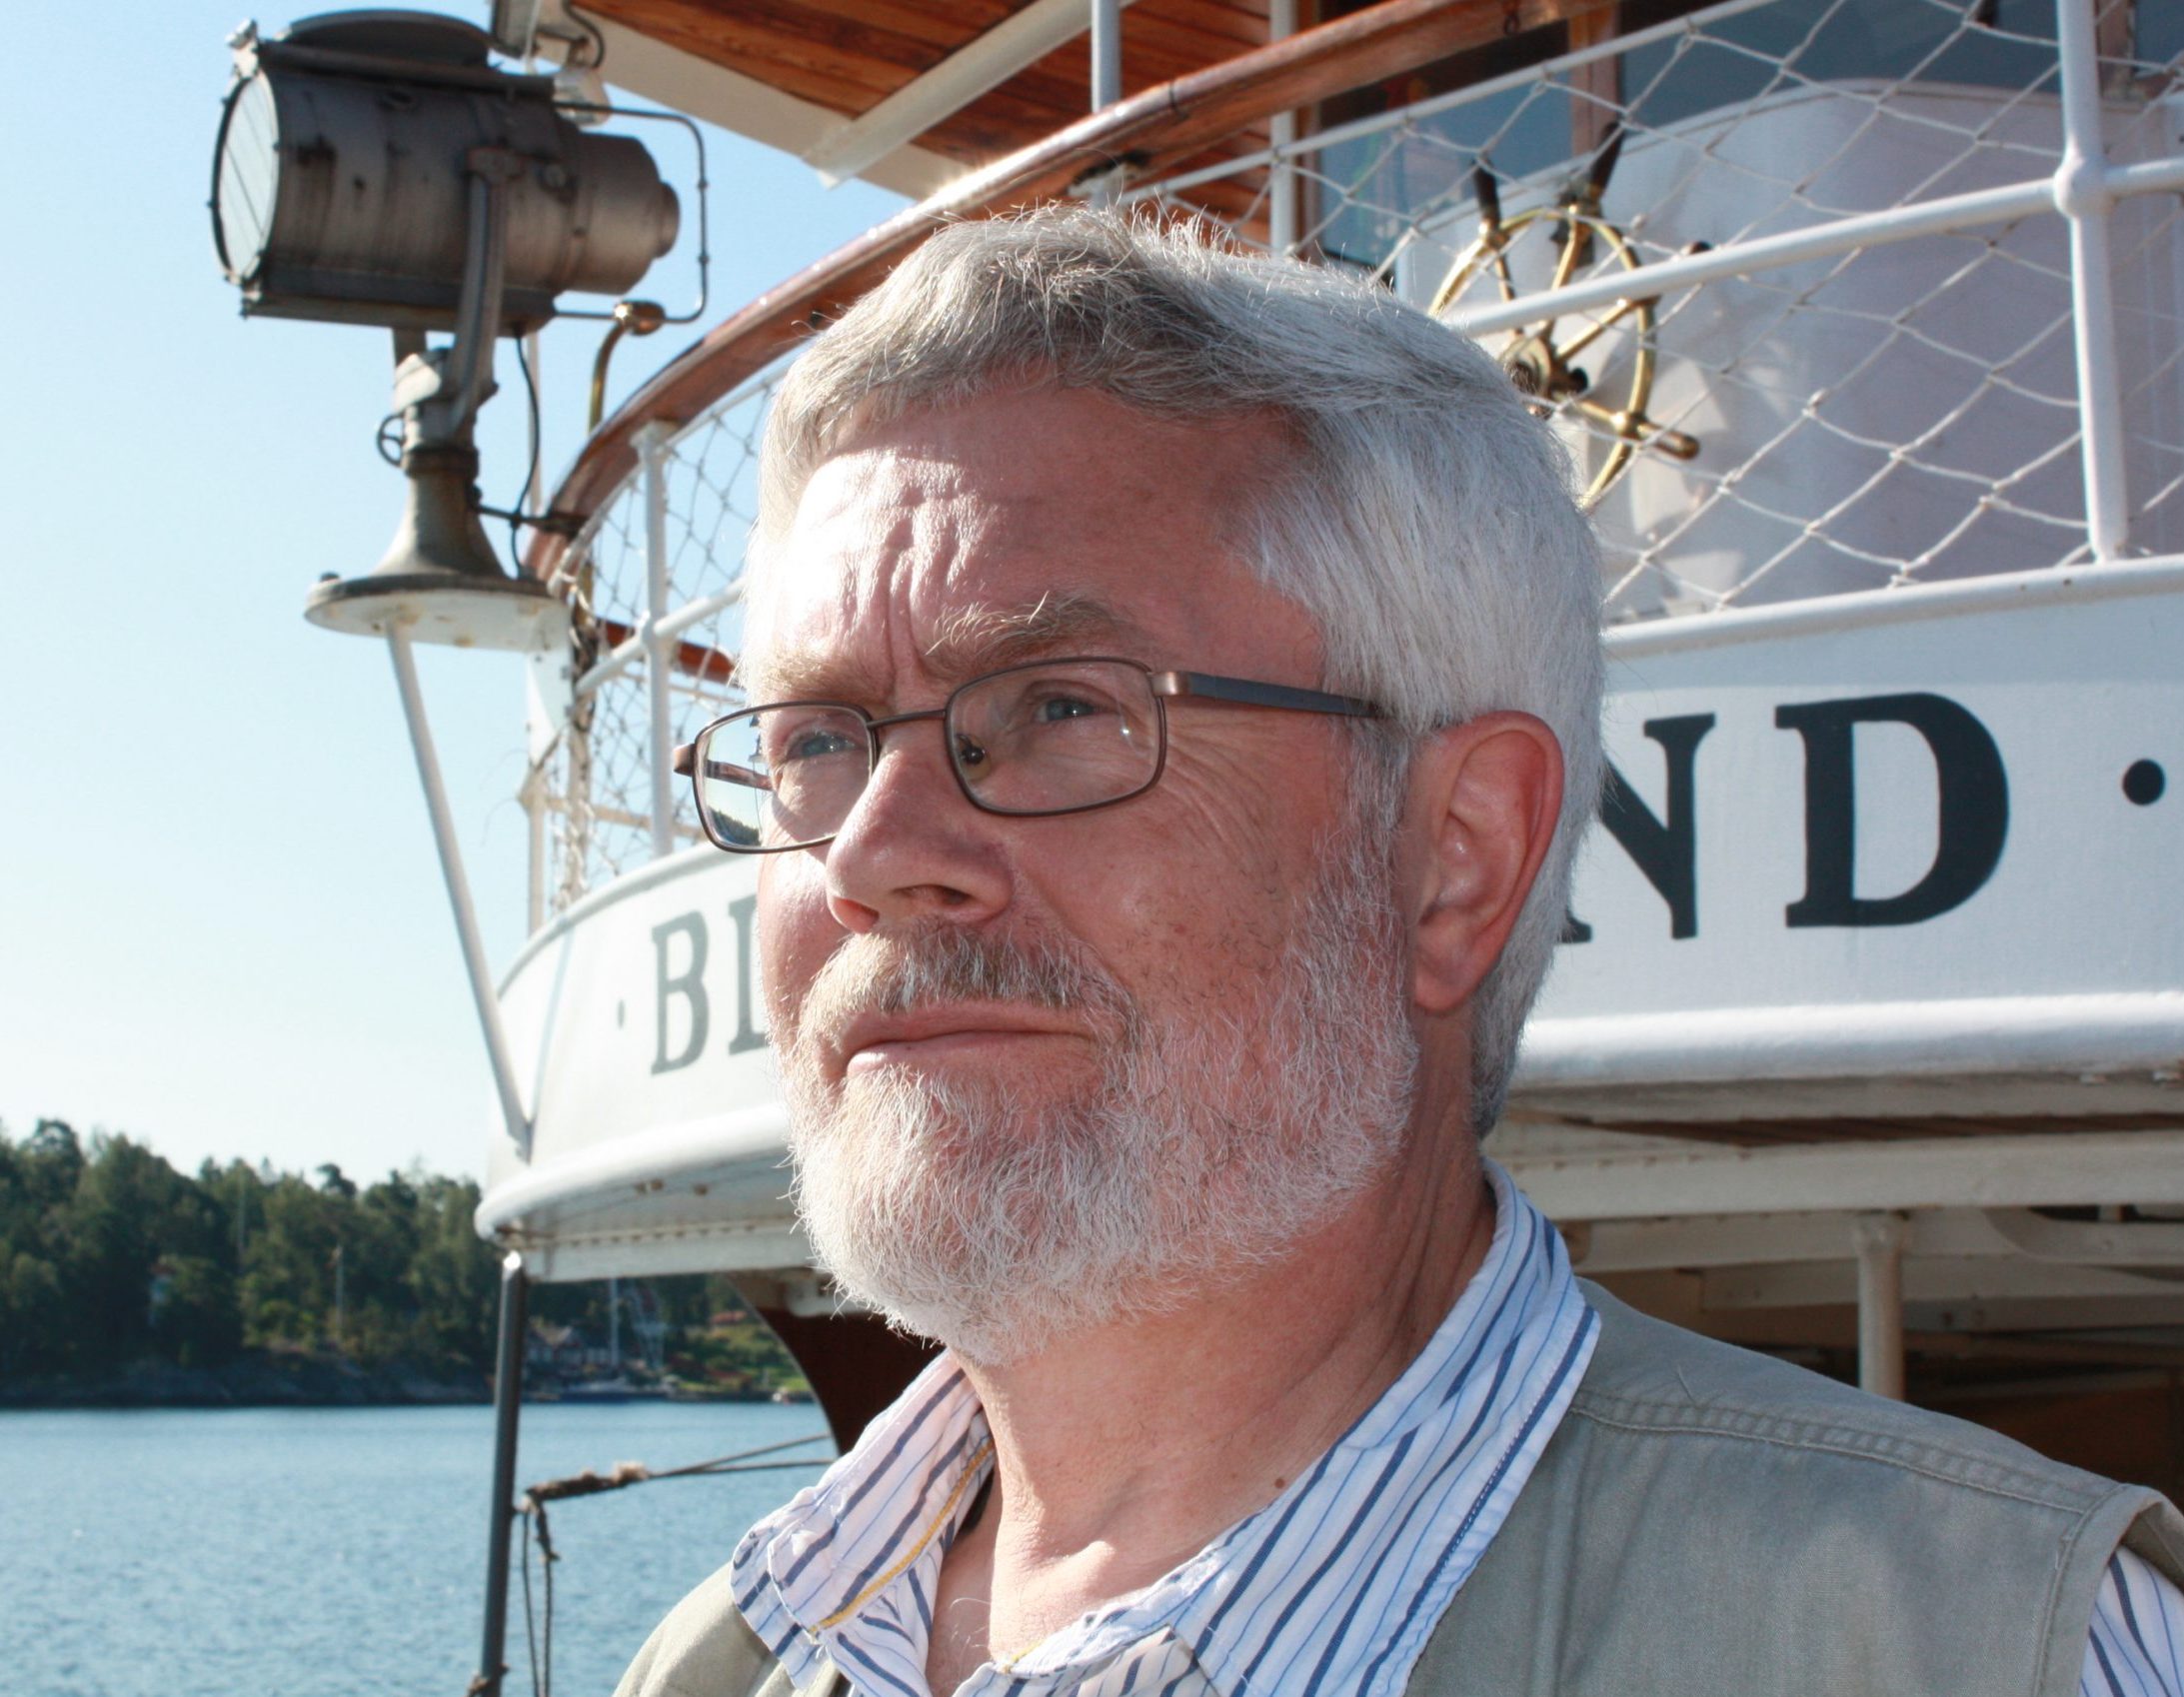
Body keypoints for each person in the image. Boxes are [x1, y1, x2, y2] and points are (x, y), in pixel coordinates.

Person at [624, 207, 2184, 1697]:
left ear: (1453, 858)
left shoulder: (1989, 1650)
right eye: (815, 739)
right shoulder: (721, 1658)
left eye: (1059, 707)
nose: (872, 854)